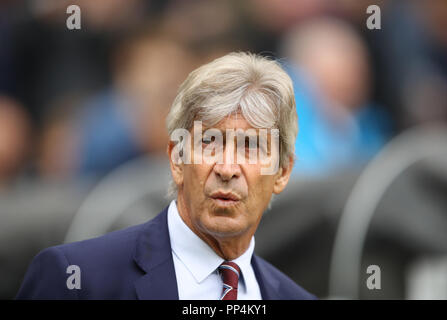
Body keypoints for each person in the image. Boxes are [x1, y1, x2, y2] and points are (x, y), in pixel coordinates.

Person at [16, 52, 316, 300]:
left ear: (282, 172)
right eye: (209, 143)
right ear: (176, 158)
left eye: (250, 147)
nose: (226, 169)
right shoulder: (76, 278)